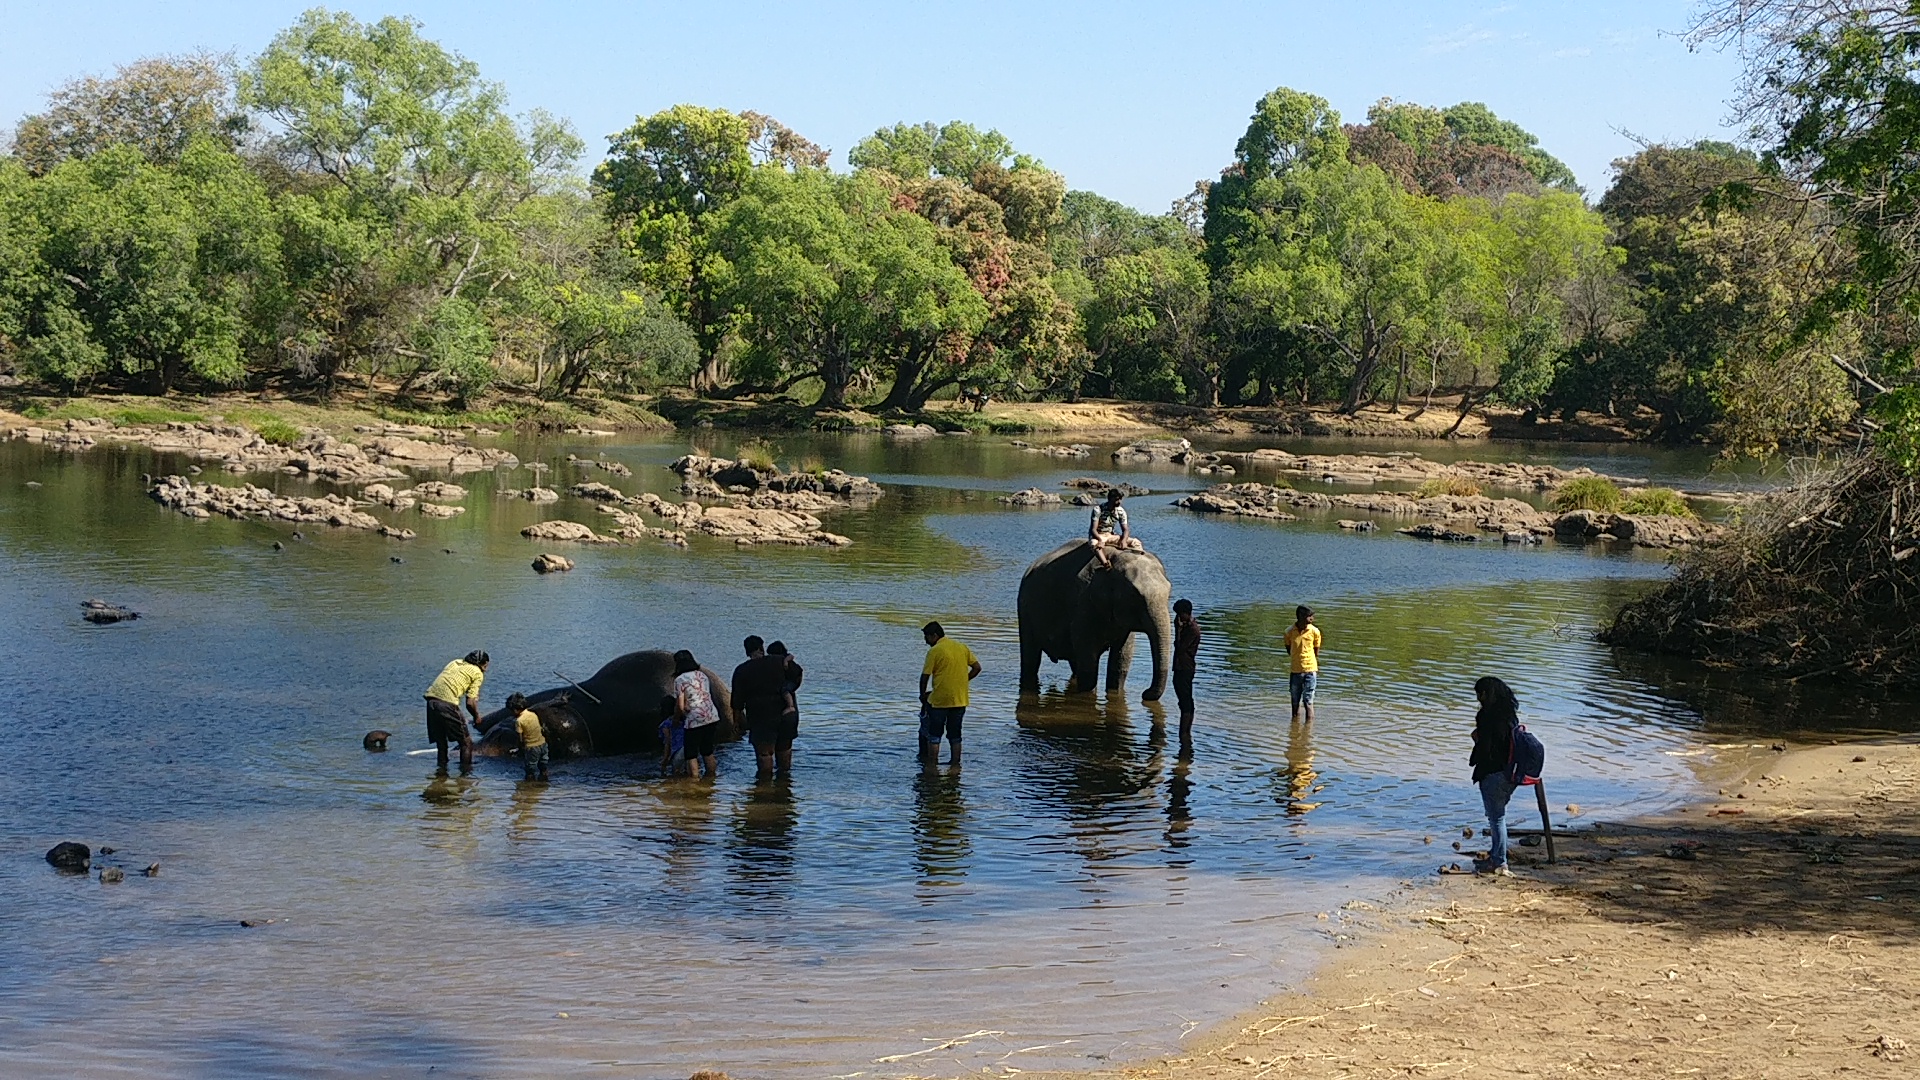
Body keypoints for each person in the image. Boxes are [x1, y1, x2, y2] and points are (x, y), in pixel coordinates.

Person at [1469, 676, 1520, 877]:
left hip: (1492, 773)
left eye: (1479, 693)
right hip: (1510, 773)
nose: (1478, 698)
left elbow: (1486, 749)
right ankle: (1496, 855)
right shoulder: (1510, 716)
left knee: (1496, 818)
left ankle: (1499, 862)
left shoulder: (1486, 716)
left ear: (1486, 694)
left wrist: (1477, 739)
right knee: (1498, 816)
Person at [918, 622, 981, 767]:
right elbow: (977, 668)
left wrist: (922, 695)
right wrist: (963, 681)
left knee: (935, 735)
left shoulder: (935, 651)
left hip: (939, 700)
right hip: (959, 699)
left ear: (934, 636)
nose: (925, 641)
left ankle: (932, 764)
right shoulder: (961, 647)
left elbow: (925, 676)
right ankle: (955, 764)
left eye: (926, 637)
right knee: (955, 735)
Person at [732, 636, 794, 780]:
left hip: (761, 716)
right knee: (784, 751)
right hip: (786, 714)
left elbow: (737, 701)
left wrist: (736, 721)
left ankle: (764, 791)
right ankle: (783, 788)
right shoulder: (779, 661)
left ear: (747, 652)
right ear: (762, 648)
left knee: (765, 754)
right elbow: (797, 674)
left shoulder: (742, 670)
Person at [423, 650, 488, 772]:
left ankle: (441, 773)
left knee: (441, 742)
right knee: (466, 742)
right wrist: (476, 716)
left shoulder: (455, 662)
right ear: (482, 664)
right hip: (447, 703)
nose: (486, 669)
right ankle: (465, 776)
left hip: (431, 702)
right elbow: (470, 703)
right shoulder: (477, 672)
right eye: (486, 666)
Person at [674, 649, 722, 779]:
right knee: (707, 751)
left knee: (691, 754)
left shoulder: (680, 680)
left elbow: (680, 704)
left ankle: (694, 782)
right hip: (711, 715)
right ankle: (712, 779)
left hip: (694, 718)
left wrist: (677, 718)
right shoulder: (702, 675)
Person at [1283, 606, 1322, 724]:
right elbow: (1289, 650)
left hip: (1310, 670)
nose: (1312, 619)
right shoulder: (1289, 632)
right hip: (1295, 671)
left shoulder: (1315, 631)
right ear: (1301, 616)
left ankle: (1308, 730)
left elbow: (1316, 651)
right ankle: (1295, 730)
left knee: (1308, 701)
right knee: (1295, 702)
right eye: (1310, 616)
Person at [1087, 488, 1141, 569]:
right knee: (1094, 544)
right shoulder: (1098, 510)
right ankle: (1105, 564)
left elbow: (1125, 529)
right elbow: (1093, 529)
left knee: (1136, 542)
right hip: (1099, 535)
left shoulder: (1120, 511)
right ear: (1110, 499)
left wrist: (1123, 541)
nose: (1119, 502)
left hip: (1110, 535)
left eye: (1120, 499)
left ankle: (1138, 562)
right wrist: (1100, 540)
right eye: (1116, 499)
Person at [1172, 598, 1201, 747]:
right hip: (1180, 667)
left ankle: (1185, 731)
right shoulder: (1186, 627)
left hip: (1186, 667)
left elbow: (1180, 647)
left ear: (1186, 614)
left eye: (1179, 615)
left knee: (1186, 700)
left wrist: (1177, 630)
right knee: (1182, 698)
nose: (1177, 618)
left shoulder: (1192, 629)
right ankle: (1184, 735)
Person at [507, 693, 548, 782]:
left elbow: (520, 737)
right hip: (543, 743)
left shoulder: (519, 721)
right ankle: (544, 781)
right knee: (543, 765)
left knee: (530, 768)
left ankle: (529, 787)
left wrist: (519, 748)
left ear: (514, 710)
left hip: (531, 747)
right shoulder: (533, 714)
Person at [768, 641, 804, 740]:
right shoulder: (786, 660)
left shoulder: (785, 659)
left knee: (785, 690)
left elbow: (791, 657)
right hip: (793, 682)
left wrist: (785, 662)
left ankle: (790, 706)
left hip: (790, 683)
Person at [657, 694, 689, 777]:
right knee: (690, 774)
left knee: (676, 776)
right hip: (690, 748)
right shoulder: (684, 720)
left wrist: (665, 760)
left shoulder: (665, 725)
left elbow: (668, 742)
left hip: (678, 753)